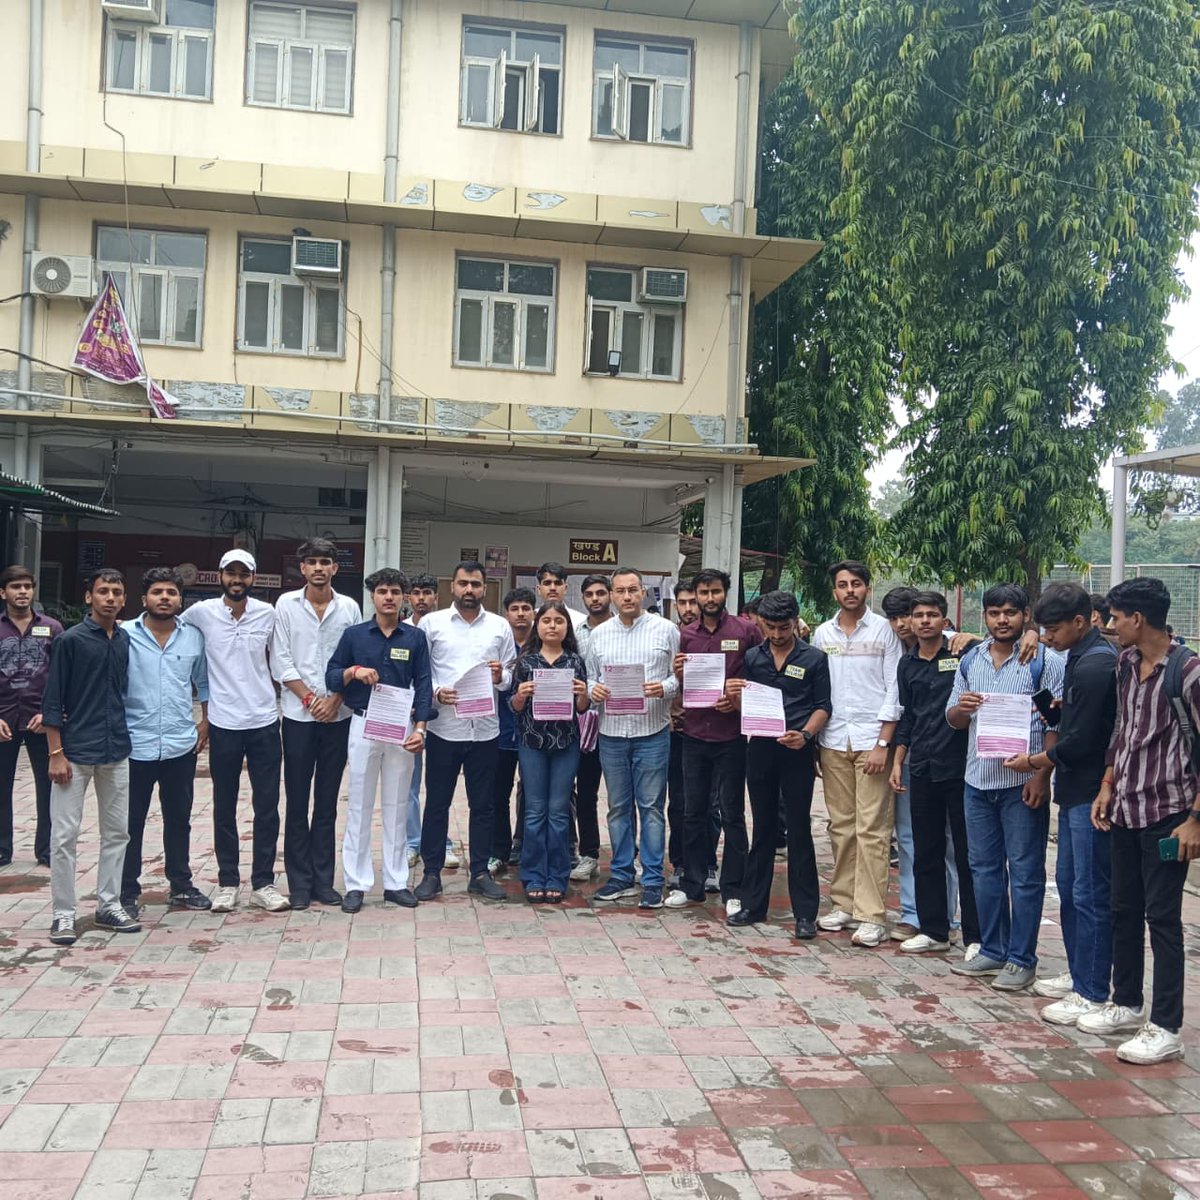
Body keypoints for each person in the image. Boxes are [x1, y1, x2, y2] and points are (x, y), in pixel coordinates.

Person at [1086, 577, 1200, 1063]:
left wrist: (1195, 819)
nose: (1110, 625)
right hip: (1126, 806)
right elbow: (1123, 729)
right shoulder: (1126, 664)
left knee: (1164, 920)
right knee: (1122, 909)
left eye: (1115, 617)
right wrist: (1107, 785)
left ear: (1138, 618)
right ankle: (1127, 1003)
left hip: (1169, 814)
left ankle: (1166, 1025)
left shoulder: (1190, 673)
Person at [1002, 583, 1116, 1025]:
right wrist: (1054, 710)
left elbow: (1083, 741)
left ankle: (1091, 991)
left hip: (1092, 794)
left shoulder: (1095, 664)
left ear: (1081, 622)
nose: (1046, 637)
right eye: (1042, 629)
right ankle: (1079, 975)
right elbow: (1076, 722)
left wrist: (1034, 762)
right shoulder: (1079, 658)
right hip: (1074, 792)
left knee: (1088, 892)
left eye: (1052, 629)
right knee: (1070, 889)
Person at [947, 583, 1064, 991]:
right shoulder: (970, 660)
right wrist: (961, 709)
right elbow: (954, 719)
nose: (1002, 620)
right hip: (977, 781)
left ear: (1025, 616)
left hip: (1021, 785)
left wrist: (1040, 775)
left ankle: (1022, 958)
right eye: (995, 613)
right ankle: (992, 949)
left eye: (1011, 613)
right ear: (985, 616)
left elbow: (1055, 722)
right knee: (983, 869)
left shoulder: (1042, 662)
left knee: (1026, 873)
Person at [181, 549, 287, 914]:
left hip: (263, 722)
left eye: (244, 573)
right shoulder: (200, 614)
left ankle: (263, 883)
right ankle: (228, 882)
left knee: (267, 805)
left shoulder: (268, 614)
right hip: (224, 724)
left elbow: (282, 659)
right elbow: (180, 648)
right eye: (231, 573)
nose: (237, 580)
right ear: (221, 576)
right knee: (223, 805)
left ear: (253, 578)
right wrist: (202, 714)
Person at [326, 568, 433, 912]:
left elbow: (424, 685)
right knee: (359, 804)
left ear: (404, 597)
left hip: (401, 728)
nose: (389, 597)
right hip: (363, 724)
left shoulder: (414, 638)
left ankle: (396, 882)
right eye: (382, 591)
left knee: (398, 804)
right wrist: (353, 672)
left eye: (395, 591)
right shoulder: (355, 635)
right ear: (372, 596)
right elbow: (331, 675)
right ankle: (356, 884)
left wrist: (420, 729)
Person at [726, 590, 831, 936]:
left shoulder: (814, 658)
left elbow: (823, 706)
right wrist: (735, 697)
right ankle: (754, 905)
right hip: (761, 749)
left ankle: (805, 914)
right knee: (764, 829)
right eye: (769, 627)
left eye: (783, 627)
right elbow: (747, 705)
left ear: (795, 623)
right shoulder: (754, 657)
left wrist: (805, 735)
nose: (776, 634)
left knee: (799, 830)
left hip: (797, 750)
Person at [811, 561, 903, 947]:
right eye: (842, 585)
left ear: (867, 588)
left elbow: (894, 689)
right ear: (834, 591)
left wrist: (884, 743)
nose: (849, 590)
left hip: (871, 741)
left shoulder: (885, 630)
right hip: (833, 740)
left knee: (873, 830)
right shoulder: (822, 633)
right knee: (841, 826)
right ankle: (844, 903)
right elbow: (819, 687)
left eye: (856, 584)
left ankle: (871, 914)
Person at [416, 560, 517, 902]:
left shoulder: (500, 627)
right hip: (445, 729)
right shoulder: (432, 624)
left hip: (485, 731)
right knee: (437, 804)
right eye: (463, 584)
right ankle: (431, 873)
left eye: (475, 584)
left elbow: (510, 680)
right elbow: (421, 674)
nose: (469, 590)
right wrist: (434, 695)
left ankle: (479, 873)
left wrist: (499, 676)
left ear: (484, 588)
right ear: (453, 587)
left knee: (484, 805)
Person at [44, 569, 135, 944]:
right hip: (75, 753)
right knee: (64, 836)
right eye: (103, 592)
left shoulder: (124, 640)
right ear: (89, 598)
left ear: (124, 599)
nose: (110, 598)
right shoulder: (70, 641)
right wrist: (55, 753)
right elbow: (52, 701)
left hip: (116, 750)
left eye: (116, 592)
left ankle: (108, 904)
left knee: (117, 833)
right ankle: (63, 913)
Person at [666, 568, 762, 919]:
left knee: (732, 813)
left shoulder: (746, 631)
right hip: (693, 733)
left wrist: (737, 695)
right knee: (693, 812)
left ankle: (733, 888)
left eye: (715, 591)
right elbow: (681, 681)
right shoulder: (686, 634)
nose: (709, 598)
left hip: (732, 735)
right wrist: (679, 673)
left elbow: (760, 675)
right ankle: (692, 883)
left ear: (726, 593)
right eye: (703, 592)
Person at [889, 591, 980, 958]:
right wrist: (899, 760)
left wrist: (973, 638)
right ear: (909, 620)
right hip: (921, 766)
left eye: (932, 614)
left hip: (960, 767)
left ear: (945, 620)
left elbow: (1002, 643)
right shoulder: (907, 664)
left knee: (965, 852)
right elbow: (908, 716)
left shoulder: (964, 655)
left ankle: (975, 936)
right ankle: (933, 929)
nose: (924, 620)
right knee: (925, 849)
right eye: (918, 614)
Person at [271, 539, 360, 909]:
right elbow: (281, 660)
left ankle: (324, 882)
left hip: (338, 717)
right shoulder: (286, 605)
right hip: (298, 717)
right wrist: (311, 699)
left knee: (326, 802)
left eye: (326, 562)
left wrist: (335, 699)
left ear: (335, 569)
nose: (319, 568)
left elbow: (355, 656)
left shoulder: (349, 607)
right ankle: (299, 884)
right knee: (296, 800)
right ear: (302, 568)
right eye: (312, 562)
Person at [121, 568, 212, 915]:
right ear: (144, 598)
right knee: (130, 822)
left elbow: (203, 683)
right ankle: (127, 891)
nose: (164, 598)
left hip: (179, 743)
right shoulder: (124, 634)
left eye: (171, 593)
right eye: (157, 591)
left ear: (180, 599)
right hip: (134, 744)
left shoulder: (193, 637)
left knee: (179, 819)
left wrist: (206, 723)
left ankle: (181, 885)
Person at [587, 567, 679, 908]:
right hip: (611, 733)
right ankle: (622, 875)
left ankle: (653, 879)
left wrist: (664, 688)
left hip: (652, 731)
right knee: (617, 808)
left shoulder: (666, 630)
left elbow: (678, 678)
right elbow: (590, 680)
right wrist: (596, 690)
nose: (626, 596)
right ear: (611, 595)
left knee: (653, 808)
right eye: (620, 591)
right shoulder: (599, 635)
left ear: (644, 593)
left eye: (633, 590)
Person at [510, 602, 590, 903]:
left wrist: (582, 694)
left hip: (565, 744)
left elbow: (582, 709)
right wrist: (521, 694)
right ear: (537, 625)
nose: (552, 626)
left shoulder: (574, 661)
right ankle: (532, 876)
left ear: (567, 627)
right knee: (534, 812)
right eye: (546, 620)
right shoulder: (527, 661)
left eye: (559, 621)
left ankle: (557, 876)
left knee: (558, 813)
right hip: (532, 744)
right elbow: (514, 708)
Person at [0, 564, 62, 868]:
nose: (22, 592)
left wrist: (50, 714)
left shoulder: (52, 628)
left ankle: (47, 849)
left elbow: (62, 675)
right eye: (15, 587)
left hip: (42, 721)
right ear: (3, 593)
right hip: (3, 720)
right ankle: (2, 849)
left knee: (48, 786)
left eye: (27, 586)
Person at [404, 574, 459, 871]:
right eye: (416, 593)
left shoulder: (442, 626)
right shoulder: (398, 631)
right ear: (408, 598)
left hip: (441, 717)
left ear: (436, 596)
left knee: (439, 789)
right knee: (408, 784)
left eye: (427, 593)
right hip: (405, 716)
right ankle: (413, 842)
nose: (422, 598)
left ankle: (442, 842)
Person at [881, 586, 921, 939]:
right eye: (894, 618)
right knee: (906, 836)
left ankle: (948, 916)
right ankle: (912, 912)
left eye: (905, 615)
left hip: (947, 757)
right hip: (901, 752)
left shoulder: (956, 646)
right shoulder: (896, 650)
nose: (901, 624)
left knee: (949, 842)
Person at [571, 573, 615, 882]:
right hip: (584, 723)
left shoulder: (623, 629)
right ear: (583, 598)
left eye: (601, 592)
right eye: (590, 594)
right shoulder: (575, 633)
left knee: (622, 795)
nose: (596, 598)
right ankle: (588, 854)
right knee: (585, 792)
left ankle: (631, 857)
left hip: (621, 721)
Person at [491, 587, 535, 873]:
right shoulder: (498, 647)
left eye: (526, 608)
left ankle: (527, 846)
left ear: (534, 612)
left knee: (533, 794)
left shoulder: (543, 645)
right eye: (514, 608)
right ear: (506, 614)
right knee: (497, 794)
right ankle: (498, 851)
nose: (520, 614)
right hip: (501, 731)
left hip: (535, 733)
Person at [666, 581, 701, 887]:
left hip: (711, 730)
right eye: (683, 602)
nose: (689, 608)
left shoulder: (717, 638)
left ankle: (707, 864)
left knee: (710, 804)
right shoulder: (670, 636)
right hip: (675, 731)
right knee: (677, 801)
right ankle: (678, 862)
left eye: (693, 601)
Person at [536, 562, 586, 628]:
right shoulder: (531, 620)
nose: (553, 588)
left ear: (565, 588)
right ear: (539, 589)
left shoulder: (581, 621)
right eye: (547, 583)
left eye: (558, 583)